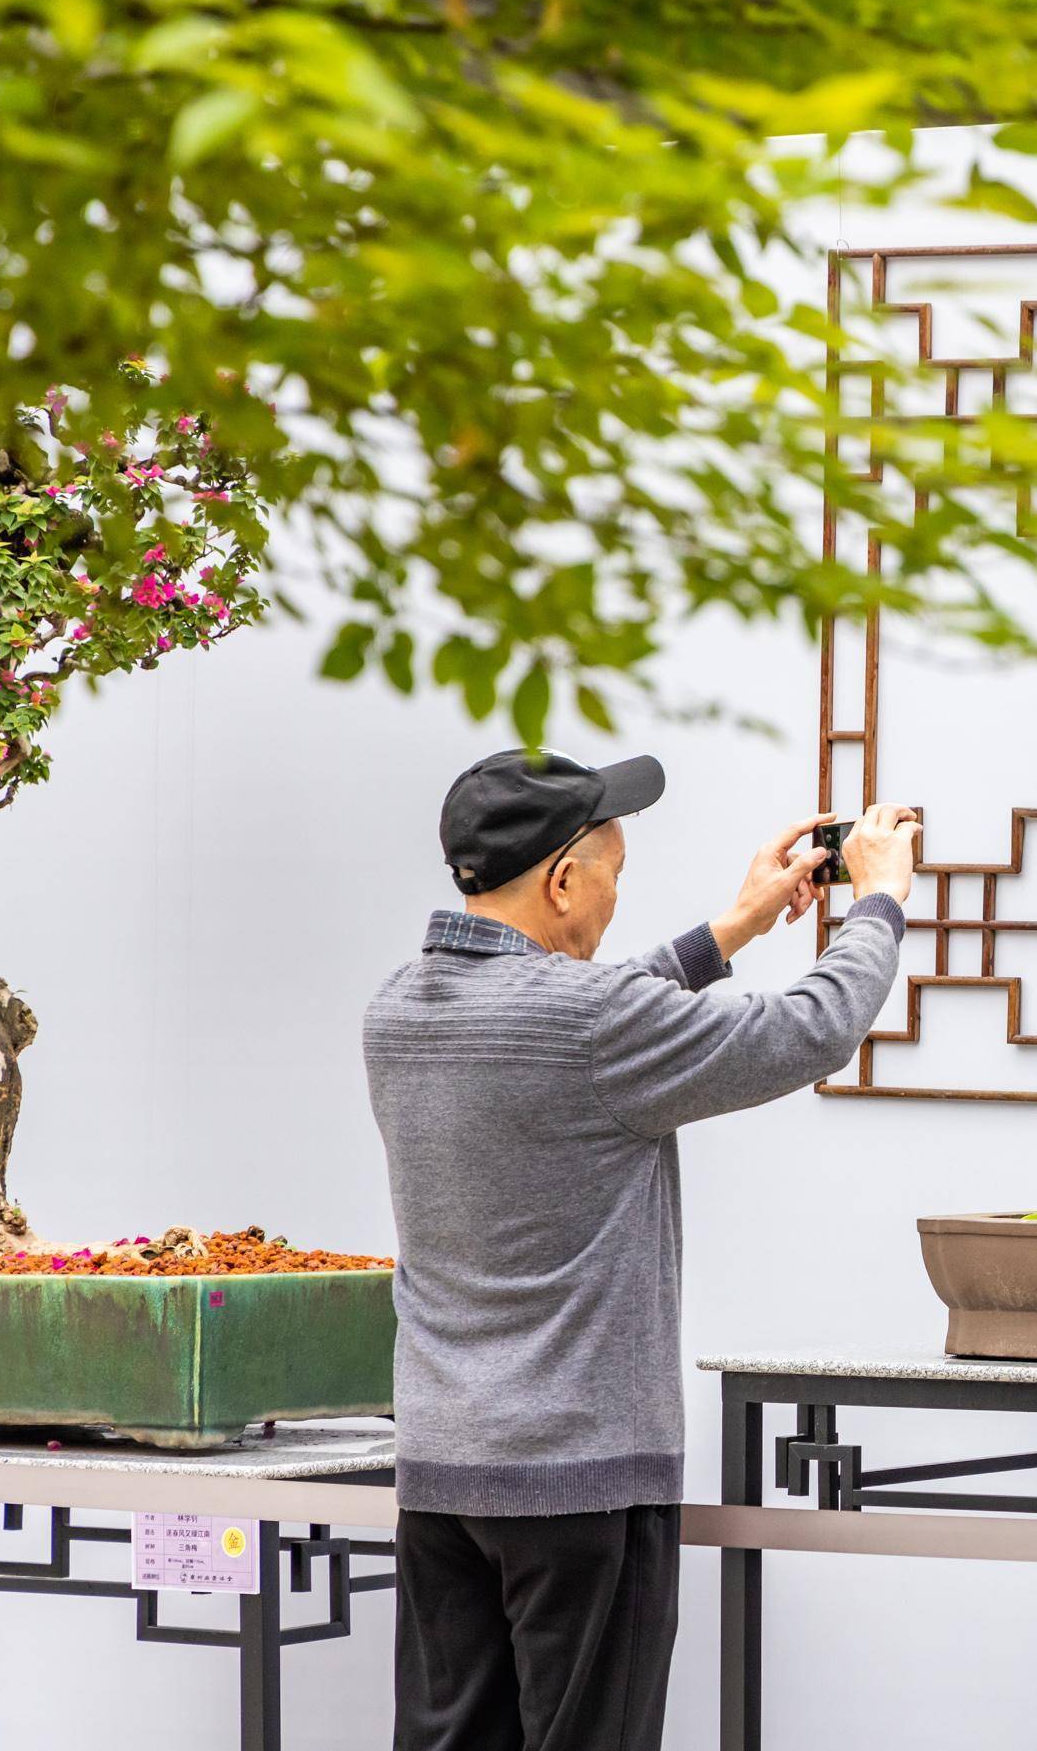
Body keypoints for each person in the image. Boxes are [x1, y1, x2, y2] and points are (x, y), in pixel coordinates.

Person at [364, 748, 917, 1751]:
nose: (617, 896)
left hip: (441, 1474)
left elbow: (575, 1015)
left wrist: (734, 927)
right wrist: (878, 903)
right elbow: (814, 1030)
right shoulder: (593, 1023)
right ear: (562, 881)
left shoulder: (396, 1010)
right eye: (613, 872)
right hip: (583, 1480)